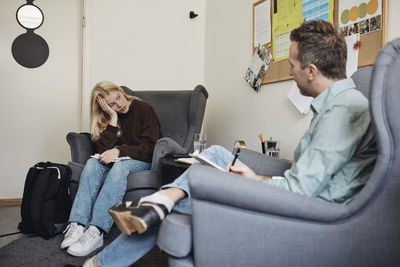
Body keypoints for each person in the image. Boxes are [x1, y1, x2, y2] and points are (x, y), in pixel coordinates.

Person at [82, 20, 377, 267]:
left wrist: (257, 184)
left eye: (293, 65)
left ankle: (158, 206)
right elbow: (309, 177)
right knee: (219, 154)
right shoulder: (339, 103)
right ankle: (162, 202)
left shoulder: (341, 112)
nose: (290, 72)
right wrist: (256, 177)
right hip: (304, 197)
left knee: (198, 184)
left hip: (310, 214)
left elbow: (301, 192)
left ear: (311, 70)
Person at [60, 81, 162, 257]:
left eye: (118, 98)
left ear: (121, 92)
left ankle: (97, 229)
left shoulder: (144, 109)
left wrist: (119, 150)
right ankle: (77, 224)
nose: (119, 105)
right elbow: (102, 151)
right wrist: (113, 119)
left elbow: (151, 146)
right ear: (104, 107)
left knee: (120, 167)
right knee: (92, 163)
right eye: (111, 104)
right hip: (119, 158)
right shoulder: (109, 116)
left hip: (141, 160)